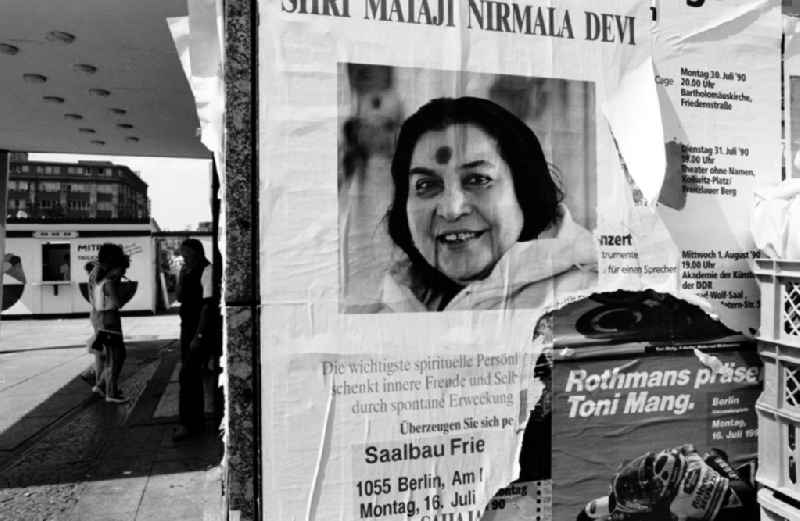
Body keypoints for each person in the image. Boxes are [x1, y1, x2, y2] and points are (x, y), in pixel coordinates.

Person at [380, 96, 596, 312]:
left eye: (477, 180)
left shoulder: (586, 300)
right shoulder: (395, 301)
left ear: (524, 190)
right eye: (426, 184)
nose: (451, 210)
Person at [173, 238, 216, 441]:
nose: (184, 259)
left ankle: (188, 424)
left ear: (197, 253)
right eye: (182, 255)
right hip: (187, 328)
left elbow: (208, 306)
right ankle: (194, 421)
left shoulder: (208, 271)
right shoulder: (187, 271)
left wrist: (199, 335)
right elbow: (180, 297)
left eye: (187, 255)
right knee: (190, 375)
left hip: (198, 330)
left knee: (188, 374)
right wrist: (181, 276)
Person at [88, 244, 130, 404]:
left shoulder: (100, 280)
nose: (124, 273)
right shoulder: (110, 283)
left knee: (114, 356)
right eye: (122, 269)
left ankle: (101, 385)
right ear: (115, 267)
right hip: (111, 322)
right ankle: (111, 393)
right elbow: (118, 303)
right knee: (117, 357)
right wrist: (126, 294)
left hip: (104, 321)